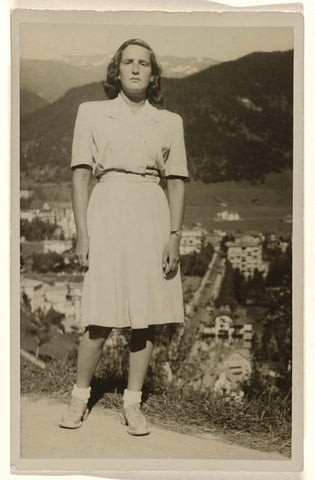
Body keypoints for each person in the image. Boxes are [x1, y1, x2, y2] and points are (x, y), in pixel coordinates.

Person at [59, 39, 188, 436]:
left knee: (144, 319)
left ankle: (132, 404)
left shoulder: (169, 122)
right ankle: (80, 396)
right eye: (128, 62)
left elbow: (178, 181)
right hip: (108, 208)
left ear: (153, 74)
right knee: (100, 316)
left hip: (151, 211)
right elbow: (81, 174)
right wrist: (83, 233)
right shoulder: (92, 113)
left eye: (143, 64)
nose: (135, 69)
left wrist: (174, 237)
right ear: (117, 71)